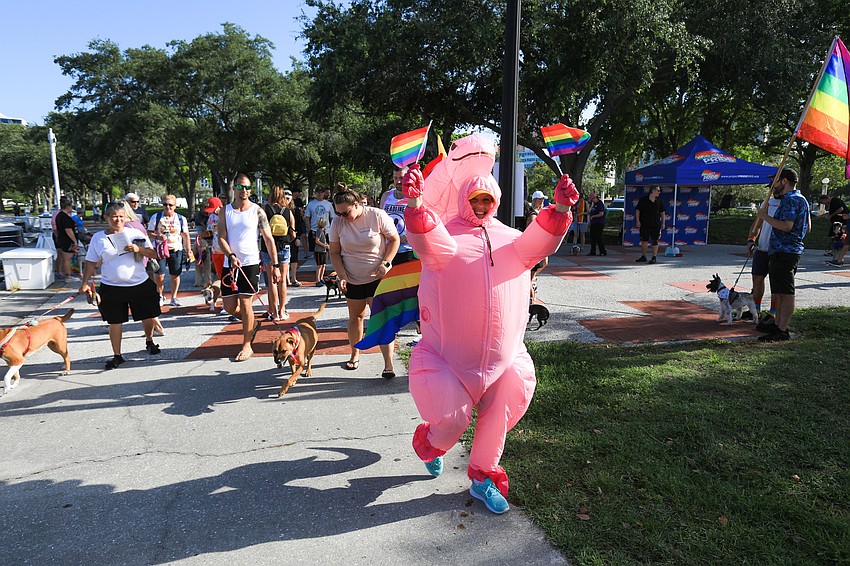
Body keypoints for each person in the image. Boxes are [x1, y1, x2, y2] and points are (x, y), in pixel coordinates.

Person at [401, 164, 577, 515]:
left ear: (495, 201)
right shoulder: (446, 235)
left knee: (498, 417)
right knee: (451, 421)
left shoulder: (511, 238)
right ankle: (432, 445)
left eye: (487, 199)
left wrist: (560, 209)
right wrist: (416, 202)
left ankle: (483, 478)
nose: (481, 205)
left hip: (505, 359)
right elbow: (425, 237)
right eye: (474, 199)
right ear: (465, 200)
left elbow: (541, 239)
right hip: (445, 358)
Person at [79, 201, 162, 370]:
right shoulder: (98, 238)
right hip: (111, 286)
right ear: (106, 218)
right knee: (115, 322)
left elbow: (154, 253)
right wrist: (84, 283)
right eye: (114, 217)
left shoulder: (135, 233)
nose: (118, 220)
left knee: (147, 315)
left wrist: (139, 250)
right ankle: (117, 355)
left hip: (138, 282)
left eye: (121, 217)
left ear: (126, 217)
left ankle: (149, 340)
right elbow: (90, 262)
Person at [328, 187, 400, 375]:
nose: (342, 216)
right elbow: (334, 252)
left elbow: (394, 239)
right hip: (353, 278)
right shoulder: (337, 223)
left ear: (357, 205)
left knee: (381, 318)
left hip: (378, 277)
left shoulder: (376, 215)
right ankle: (355, 353)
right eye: (338, 213)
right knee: (355, 318)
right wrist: (341, 275)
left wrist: (386, 262)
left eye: (346, 212)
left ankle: (388, 364)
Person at [217, 174, 280, 361]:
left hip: (251, 263)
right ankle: (252, 324)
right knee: (229, 307)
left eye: (247, 187)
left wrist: (275, 265)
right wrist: (230, 255)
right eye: (240, 187)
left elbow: (268, 238)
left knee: (246, 304)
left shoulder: (257, 211)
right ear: (234, 189)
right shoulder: (225, 211)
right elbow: (221, 237)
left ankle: (247, 345)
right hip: (231, 263)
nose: (244, 190)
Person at [756, 168, 810, 342]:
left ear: (784, 181)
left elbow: (786, 226)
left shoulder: (791, 201)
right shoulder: (799, 199)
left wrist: (765, 216)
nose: (773, 185)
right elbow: (807, 228)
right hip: (784, 251)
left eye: (776, 181)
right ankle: (777, 324)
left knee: (786, 293)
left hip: (785, 252)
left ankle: (782, 329)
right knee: (778, 291)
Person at [147, 195, 194, 307]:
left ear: (175, 206)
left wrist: (189, 251)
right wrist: (158, 236)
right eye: (165, 205)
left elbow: (185, 235)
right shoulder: (156, 217)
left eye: (170, 205)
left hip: (176, 249)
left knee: (175, 274)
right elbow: (149, 232)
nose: (167, 207)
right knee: (159, 275)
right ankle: (160, 295)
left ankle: (174, 297)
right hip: (160, 250)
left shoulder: (181, 218)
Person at [746, 191, 781, 326]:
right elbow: (758, 224)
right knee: (757, 279)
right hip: (762, 248)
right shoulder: (767, 202)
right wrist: (751, 239)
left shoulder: (788, 203)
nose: (773, 189)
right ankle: (756, 309)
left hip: (777, 249)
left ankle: (773, 313)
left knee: (776, 282)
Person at [262, 186, 296, 321]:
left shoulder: (266, 209)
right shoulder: (287, 211)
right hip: (284, 246)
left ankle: (274, 311)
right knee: (282, 281)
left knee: (271, 281)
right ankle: (282, 311)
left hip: (269, 248)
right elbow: (293, 232)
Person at [380, 166, 416, 265]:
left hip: (406, 250)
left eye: (401, 178)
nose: (398, 181)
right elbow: (379, 220)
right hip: (388, 249)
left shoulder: (413, 197)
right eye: (395, 178)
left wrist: (411, 235)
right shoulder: (386, 196)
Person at [304, 187, 333, 286]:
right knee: (318, 257)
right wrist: (309, 229)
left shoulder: (328, 204)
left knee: (325, 256)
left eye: (322, 192)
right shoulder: (311, 204)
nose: (320, 194)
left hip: (327, 231)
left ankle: (322, 277)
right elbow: (307, 217)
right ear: (315, 193)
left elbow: (332, 218)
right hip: (315, 230)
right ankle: (317, 278)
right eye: (318, 192)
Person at [635, 186, 666, 264]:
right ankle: (643, 256)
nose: (659, 192)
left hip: (656, 224)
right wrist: (638, 221)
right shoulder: (643, 200)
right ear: (653, 191)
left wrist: (663, 223)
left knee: (655, 240)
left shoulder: (659, 201)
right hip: (645, 223)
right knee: (644, 240)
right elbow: (638, 210)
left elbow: (663, 213)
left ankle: (654, 257)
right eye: (658, 191)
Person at [54, 196, 80, 281]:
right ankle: (68, 276)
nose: (71, 209)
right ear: (68, 206)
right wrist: (74, 241)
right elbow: (68, 229)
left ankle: (67, 274)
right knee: (67, 258)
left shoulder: (58, 215)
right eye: (71, 207)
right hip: (67, 240)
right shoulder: (65, 217)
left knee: (65, 258)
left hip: (62, 239)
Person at [289, 188, 306, 286]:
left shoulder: (295, 209)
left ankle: (293, 277)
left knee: (294, 257)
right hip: (282, 237)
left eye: (288, 198)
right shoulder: (279, 209)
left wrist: (298, 237)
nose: (287, 200)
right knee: (284, 259)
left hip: (293, 236)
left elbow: (299, 224)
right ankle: (286, 278)